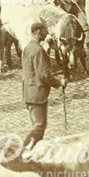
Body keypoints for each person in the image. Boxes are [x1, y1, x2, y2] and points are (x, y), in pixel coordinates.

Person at [22, 21, 65, 149]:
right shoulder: (38, 50)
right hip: (37, 93)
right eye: (45, 31)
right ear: (39, 32)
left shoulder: (28, 47)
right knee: (39, 126)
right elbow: (44, 74)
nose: (47, 33)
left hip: (28, 92)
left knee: (37, 125)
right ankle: (24, 151)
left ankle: (30, 151)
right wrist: (59, 83)